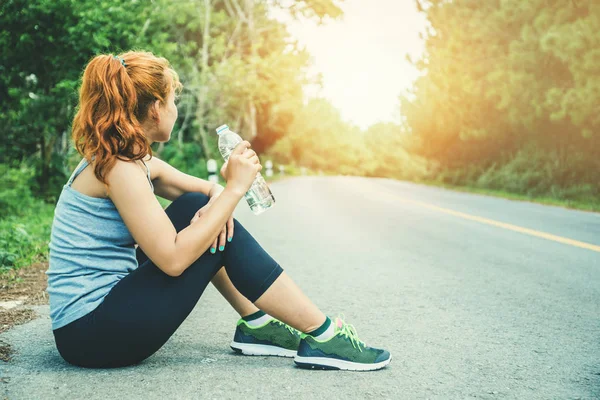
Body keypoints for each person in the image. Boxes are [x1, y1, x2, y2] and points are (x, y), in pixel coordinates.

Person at [46, 51, 391, 371]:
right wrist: (235, 190)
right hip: (91, 334)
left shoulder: (129, 159)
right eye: (172, 101)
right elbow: (173, 259)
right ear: (155, 110)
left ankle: (256, 323)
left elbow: (202, 190)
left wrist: (221, 196)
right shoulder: (120, 169)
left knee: (200, 208)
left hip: (98, 320)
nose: (175, 110)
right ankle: (324, 334)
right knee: (205, 218)